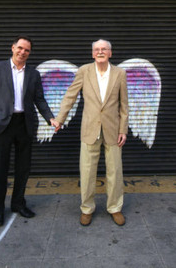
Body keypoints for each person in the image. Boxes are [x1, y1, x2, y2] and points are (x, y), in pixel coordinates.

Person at [0, 35, 59, 227]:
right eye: (20, 48)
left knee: (23, 168)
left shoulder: (33, 74)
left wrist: (50, 117)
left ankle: (18, 203)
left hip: (25, 124)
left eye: (27, 50)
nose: (22, 52)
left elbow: (39, 99)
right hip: (2, 125)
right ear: (13, 47)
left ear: (29, 53)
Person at [55, 39, 129, 226]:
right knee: (87, 171)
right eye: (97, 49)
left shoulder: (120, 74)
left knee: (115, 171)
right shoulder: (84, 71)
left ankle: (115, 208)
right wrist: (60, 119)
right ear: (92, 53)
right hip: (89, 129)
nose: (100, 51)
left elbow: (124, 105)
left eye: (104, 49)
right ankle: (87, 208)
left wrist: (123, 130)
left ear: (110, 53)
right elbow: (70, 95)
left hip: (113, 130)